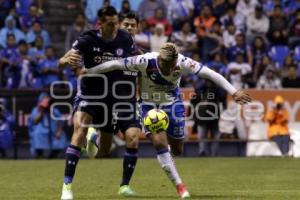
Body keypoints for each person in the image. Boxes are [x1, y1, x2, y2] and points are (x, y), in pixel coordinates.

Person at [83, 43, 251, 192]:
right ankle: (178, 184)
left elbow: (210, 74)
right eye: (164, 64)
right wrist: (89, 71)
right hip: (149, 106)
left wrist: (234, 91)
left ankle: (167, 156)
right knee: (159, 143)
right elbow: (115, 64)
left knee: (177, 149)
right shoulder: (145, 61)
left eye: (171, 64)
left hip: (173, 104)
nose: (168, 67)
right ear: (160, 59)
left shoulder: (183, 63)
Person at [59, 6, 141, 199]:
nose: (115, 28)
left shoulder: (125, 39)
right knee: (78, 130)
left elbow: (132, 66)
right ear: (100, 24)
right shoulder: (87, 38)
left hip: (116, 100)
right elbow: (63, 60)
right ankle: (67, 187)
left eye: (116, 23)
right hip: (91, 95)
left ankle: (123, 185)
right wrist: (64, 61)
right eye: (111, 24)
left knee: (105, 151)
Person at [28, 93, 67, 158]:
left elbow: (61, 120)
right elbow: (35, 121)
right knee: (36, 134)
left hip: (53, 130)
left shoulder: (54, 110)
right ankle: (39, 154)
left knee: (61, 136)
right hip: (41, 130)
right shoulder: (36, 109)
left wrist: (59, 131)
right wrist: (42, 111)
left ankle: (53, 155)